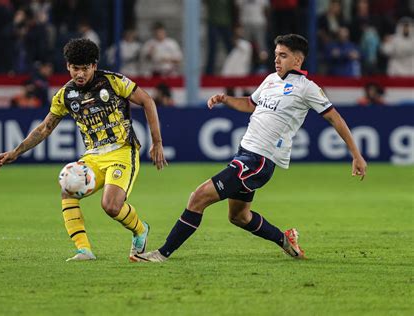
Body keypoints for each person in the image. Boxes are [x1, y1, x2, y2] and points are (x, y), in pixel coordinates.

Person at [131, 34, 367, 263]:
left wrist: (356, 155)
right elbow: (250, 104)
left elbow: (335, 118)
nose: (276, 60)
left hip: (260, 160)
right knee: (239, 217)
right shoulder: (270, 80)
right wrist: (226, 99)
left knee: (198, 198)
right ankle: (285, 240)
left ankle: (161, 254)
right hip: (245, 154)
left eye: (283, 55)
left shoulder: (307, 88)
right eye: (276, 54)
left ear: (298, 60)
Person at [0, 38, 167, 262]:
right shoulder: (65, 95)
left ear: (94, 65)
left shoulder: (113, 82)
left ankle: (140, 230)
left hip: (122, 151)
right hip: (93, 156)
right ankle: (84, 250)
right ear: (68, 66)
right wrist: (15, 152)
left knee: (111, 206)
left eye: (85, 68)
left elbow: (147, 101)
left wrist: (157, 141)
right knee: (68, 188)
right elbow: (46, 127)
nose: (80, 74)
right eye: (75, 68)